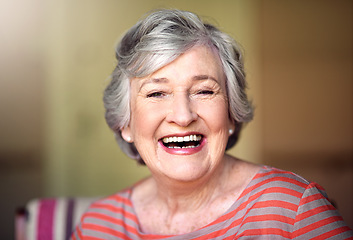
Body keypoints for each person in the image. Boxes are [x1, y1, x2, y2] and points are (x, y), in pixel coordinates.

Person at [71, 9, 352, 239]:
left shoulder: (292, 209)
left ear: (231, 113)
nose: (182, 116)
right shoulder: (99, 226)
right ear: (126, 124)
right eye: (156, 93)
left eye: (204, 91)